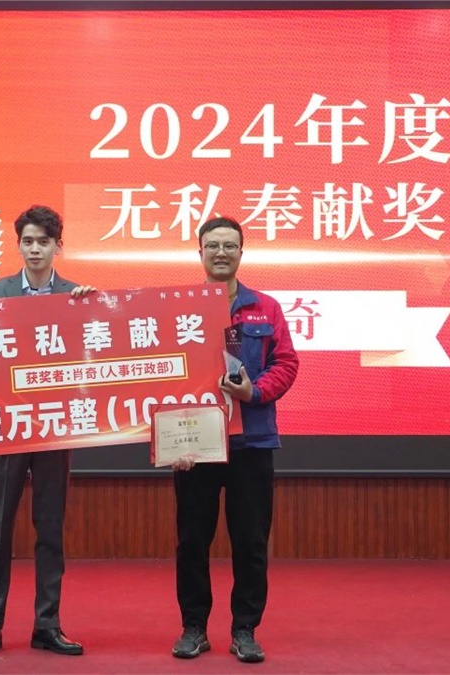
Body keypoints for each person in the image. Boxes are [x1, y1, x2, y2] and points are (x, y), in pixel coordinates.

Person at [0, 205, 95, 659]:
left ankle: (47, 625)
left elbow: (96, 362)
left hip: (53, 425)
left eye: (43, 242)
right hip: (7, 427)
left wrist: (100, 311)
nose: (35, 249)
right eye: (28, 241)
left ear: (57, 247)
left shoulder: (76, 296)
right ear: (18, 245)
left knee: (50, 527)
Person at [170, 216, 300, 664]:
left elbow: (286, 363)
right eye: (213, 246)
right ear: (200, 253)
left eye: (229, 245)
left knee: (250, 542)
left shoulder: (266, 307)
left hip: (252, 443)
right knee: (192, 541)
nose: (221, 252)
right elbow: (162, 372)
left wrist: (254, 392)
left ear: (241, 252)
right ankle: (193, 628)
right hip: (195, 444)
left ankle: (245, 630)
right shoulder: (178, 309)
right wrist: (171, 442)